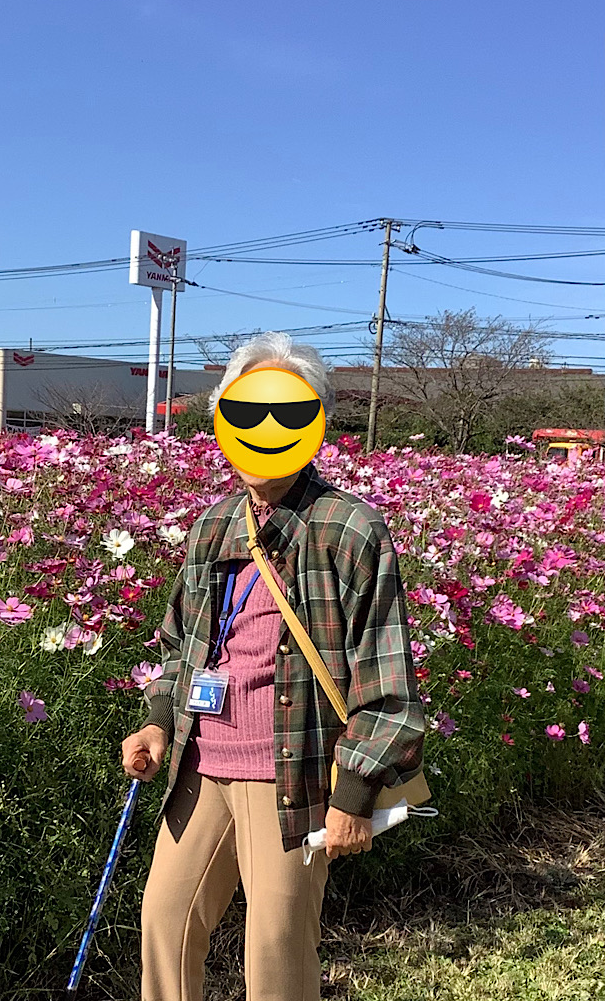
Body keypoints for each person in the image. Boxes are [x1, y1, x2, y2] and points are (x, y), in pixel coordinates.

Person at [121, 331, 425, 1001]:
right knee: (165, 925)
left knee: (275, 949)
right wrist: (158, 722)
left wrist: (354, 794)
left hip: (289, 773)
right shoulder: (213, 527)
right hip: (202, 763)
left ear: (315, 424)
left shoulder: (348, 529)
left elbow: (386, 678)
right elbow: (181, 644)